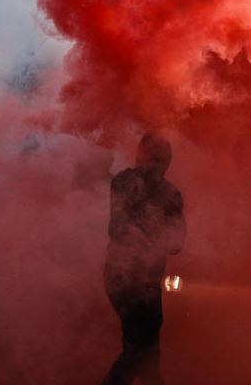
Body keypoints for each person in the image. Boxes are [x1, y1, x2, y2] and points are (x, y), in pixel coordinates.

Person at [102, 133, 186, 385]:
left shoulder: (170, 194)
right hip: (123, 278)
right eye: (153, 156)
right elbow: (117, 230)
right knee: (139, 349)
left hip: (147, 283)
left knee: (148, 349)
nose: (157, 164)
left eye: (161, 158)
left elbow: (177, 242)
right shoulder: (126, 183)